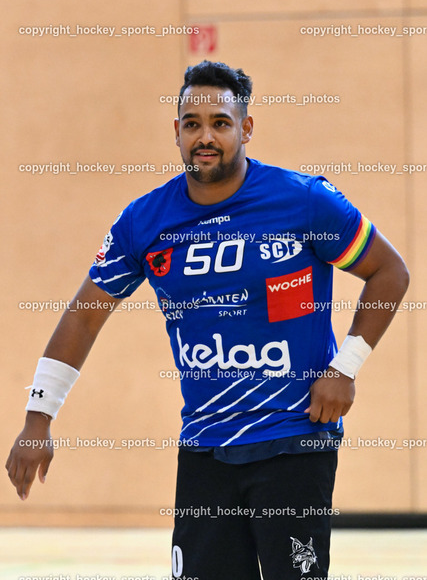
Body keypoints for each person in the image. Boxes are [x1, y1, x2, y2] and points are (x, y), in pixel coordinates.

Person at [6, 61, 409, 579]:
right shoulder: (145, 221)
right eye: (192, 124)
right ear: (176, 132)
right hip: (205, 445)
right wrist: (38, 417)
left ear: (246, 128)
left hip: (293, 438)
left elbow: (390, 272)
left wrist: (345, 367)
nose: (206, 137)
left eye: (220, 122)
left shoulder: (304, 201)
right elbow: (84, 317)